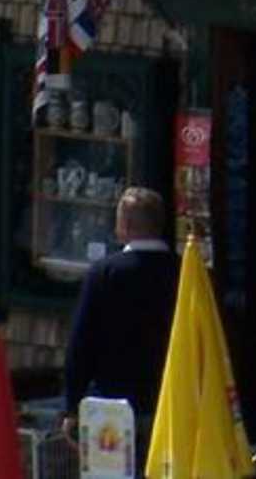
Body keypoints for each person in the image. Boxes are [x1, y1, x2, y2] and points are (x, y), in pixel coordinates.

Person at [63, 188, 180, 447]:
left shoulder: (104, 273)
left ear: (124, 225)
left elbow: (81, 343)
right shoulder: (184, 272)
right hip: (173, 404)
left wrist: (72, 406)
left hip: (113, 408)